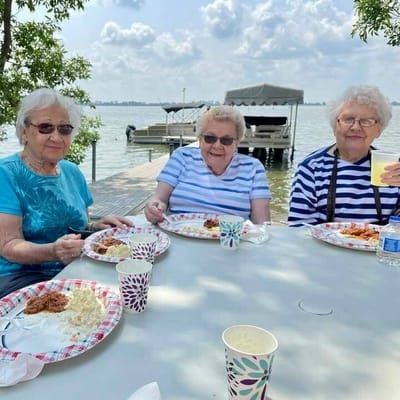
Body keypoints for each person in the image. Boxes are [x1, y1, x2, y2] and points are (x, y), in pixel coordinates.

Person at [0, 88, 133, 297]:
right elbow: (8, 245)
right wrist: (52, 251)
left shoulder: (72, 172)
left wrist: (96, 227)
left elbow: (78, 228)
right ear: (24, 132)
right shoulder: (5, 174)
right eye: (45, 127)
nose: (56, 136)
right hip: (21, 277)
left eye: (64, 129)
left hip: (74, 269)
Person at [288, 84, 400, 227]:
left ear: (379, 129)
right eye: (348, 119)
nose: (355, 127)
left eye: (366, 121)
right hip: (322, 248)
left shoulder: (393, 167)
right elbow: (299, 228)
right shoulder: (312, 168)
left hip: (377, 248)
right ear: (335, 126)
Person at [144, 105, 271, 224]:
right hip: (179, 238)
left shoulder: (253, 169)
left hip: (229, 243)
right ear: (199, 139)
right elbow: (159, 199)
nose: (217, 145)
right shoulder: (181, 157)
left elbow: (262, 225)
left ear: (237, 143)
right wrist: (154, 208)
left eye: (226, 140)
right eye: (210, 138)